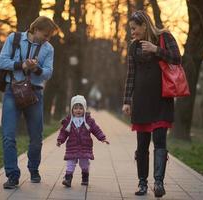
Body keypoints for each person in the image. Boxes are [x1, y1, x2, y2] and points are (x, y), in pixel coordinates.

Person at [122, 10, 181, 198]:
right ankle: (142, 183)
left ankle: (158, 183)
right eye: (131, 29)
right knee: (142, 144)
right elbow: (131, 75)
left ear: (144, 26)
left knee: (160, 141)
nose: (132, 33)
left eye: (134, 29)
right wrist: (126, 101)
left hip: (162, 100)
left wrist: (156, 50)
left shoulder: (164, 37)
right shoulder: (133, 47)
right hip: (140, 101)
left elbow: (177, 58)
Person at [0, 16, 59, 189]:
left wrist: (36, 68)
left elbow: (48, 73)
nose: (47, 39)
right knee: (8, 136)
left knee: (36, 138)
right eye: (45, 35)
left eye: (49, 37)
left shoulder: (48, 49)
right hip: (12, 91)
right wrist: (22, 65)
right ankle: (12, 176)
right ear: (36, 29)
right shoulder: (14, 38)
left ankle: (33, 169)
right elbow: (2, 62)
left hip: (35, 93)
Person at [57, 95, 109, 187]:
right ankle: (68, 178)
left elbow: (96, 129)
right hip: (72, 146)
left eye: (81, 108)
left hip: (85, 146)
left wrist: (102, 138)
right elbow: (63, 132)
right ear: (72, 109)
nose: (78, 110)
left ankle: (85, 176)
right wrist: (60, 140)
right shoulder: (68, 121)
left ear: (84, 109)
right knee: (70, 162)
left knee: (84, 163)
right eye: (75, 108)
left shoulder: (89, 120)